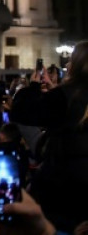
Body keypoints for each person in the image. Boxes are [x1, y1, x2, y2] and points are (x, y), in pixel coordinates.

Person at [25, 40, 88, 233]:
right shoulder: (66, 96)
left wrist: (33, 87)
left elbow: (23, 113)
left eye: (70, 61)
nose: (66, 65)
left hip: (63, 189)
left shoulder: (64, 96)